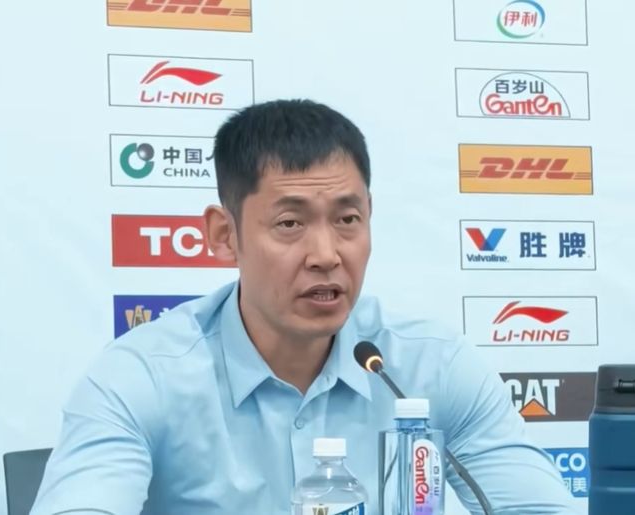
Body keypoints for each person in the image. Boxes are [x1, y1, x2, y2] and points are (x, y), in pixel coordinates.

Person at [31, 99, 577, 515]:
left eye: (347, 220)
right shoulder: (141, 377)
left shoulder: (428, 367)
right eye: (290, 223)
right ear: (224, 235)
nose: (326, 255)